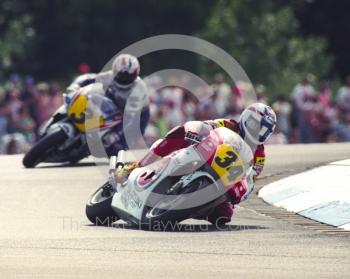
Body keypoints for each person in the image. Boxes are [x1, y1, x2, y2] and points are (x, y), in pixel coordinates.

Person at [116, 102, 277, 225]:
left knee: (224, 215)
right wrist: (194, 131)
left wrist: (243, 190)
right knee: (178, 134)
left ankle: (193, 208)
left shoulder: (259, 155)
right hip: (200, 156)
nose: (259, 133)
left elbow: (251, 177)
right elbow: (205, 125)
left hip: (222, 180)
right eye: (257, 127)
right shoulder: (229, 125)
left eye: (264, 132)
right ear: (247, 119)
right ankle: (137, 166)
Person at [66, 54, 150, 153]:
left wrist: (115, 135)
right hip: (114, 107)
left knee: (116, 147)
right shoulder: (108, 76)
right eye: (121, 75)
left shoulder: (138, 89)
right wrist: (74, 86)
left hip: (137, 116)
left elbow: (130, 120)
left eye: (128, 76)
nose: (123, 79)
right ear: (114, 71)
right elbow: (87, 78)